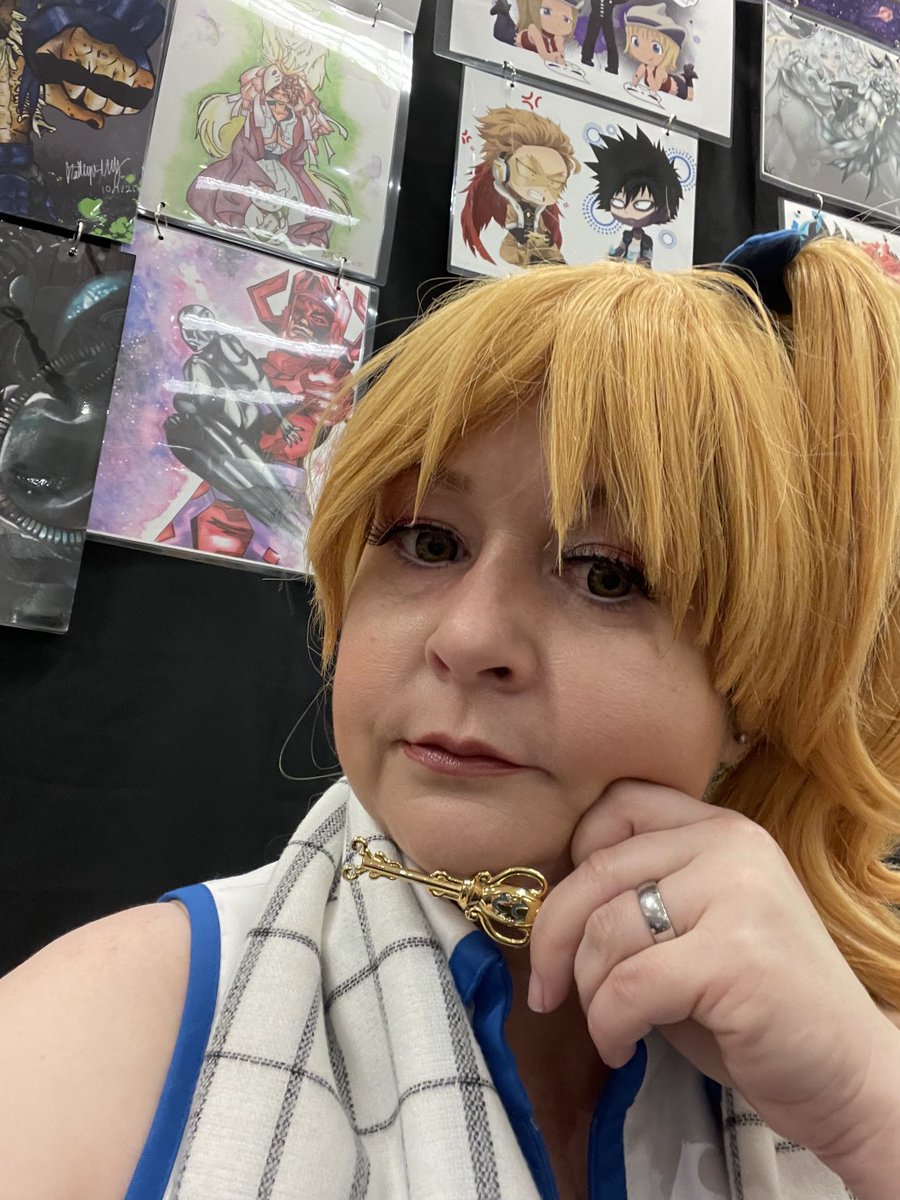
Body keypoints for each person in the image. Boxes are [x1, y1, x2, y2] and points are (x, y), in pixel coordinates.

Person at [2, 232, 900, 1200]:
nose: (468, 638)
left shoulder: (844, 1043)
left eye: (607, 575)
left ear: (755, 694)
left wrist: (868, 1113)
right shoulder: (92, 1042)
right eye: (427, 542)